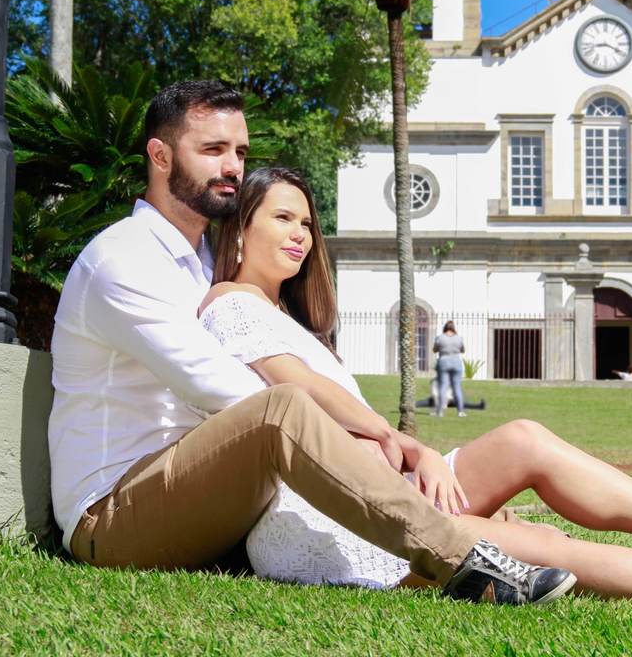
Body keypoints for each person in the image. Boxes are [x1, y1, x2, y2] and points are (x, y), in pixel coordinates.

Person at [201, 166, 632, 616]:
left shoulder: (289, 318)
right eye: (283, 218)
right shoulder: (227, 303)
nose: (300, 235)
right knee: (538, 548)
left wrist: (409, 456)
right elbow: (300, 389)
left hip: (372, 487)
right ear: (239, 227)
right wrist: (399, 440)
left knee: (525, 441)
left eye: (308, 224)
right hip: (327, 520)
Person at [47, 80, 573, 606]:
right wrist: (367, 438)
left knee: (294, 412)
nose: (232, 166)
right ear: (159, 157)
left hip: (202, 489)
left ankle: (493, 529)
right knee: (280, 408)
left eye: (240, 152)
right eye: (212, 150)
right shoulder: (125, 258)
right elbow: (224, 391)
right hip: (112, 514)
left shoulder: (202, 266)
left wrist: (377, 442)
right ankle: (463, 560)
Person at [433, 322, 466, 417]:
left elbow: (435, 349)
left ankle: (439, 411)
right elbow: (463, 350)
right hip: (456, 362)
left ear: (445, 328)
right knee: (457, 387)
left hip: (444, 362)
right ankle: (460, 411)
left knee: (443, 386)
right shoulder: (459, 338)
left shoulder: (440, 338)